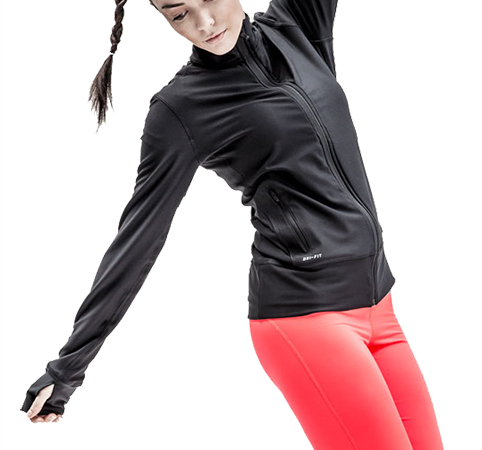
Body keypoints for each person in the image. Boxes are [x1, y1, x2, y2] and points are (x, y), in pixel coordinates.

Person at [20, 1, 444, 448]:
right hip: (307, 316)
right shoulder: (182, 107)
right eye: (178, 15)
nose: (203, 24)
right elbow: (138, 239)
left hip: (380, 305)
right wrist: (67, 369)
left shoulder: (297, 23)